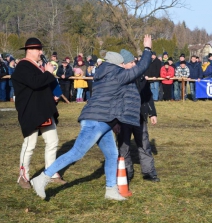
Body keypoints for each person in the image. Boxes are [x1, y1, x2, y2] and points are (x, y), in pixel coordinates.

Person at [30, 35, 153, 200]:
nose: (125, 66)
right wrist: (147, 49)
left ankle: (111, 190)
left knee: (111, 155)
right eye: (123, 64)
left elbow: (113, 101)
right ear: (117, 65)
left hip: (102, 120)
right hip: (96, 122)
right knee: (77, 152)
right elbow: (142, 67)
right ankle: (43, 178)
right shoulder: (117, 75)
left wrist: (115, 121)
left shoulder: (103, 74)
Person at [11, 37, 66, 189]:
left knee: (53, 141)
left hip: (44, 110)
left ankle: (51, 172)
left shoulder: (37, 66)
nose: (41, 52)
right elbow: (35, 83)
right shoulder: (23, 66)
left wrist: (52, 93)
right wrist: (48, 73)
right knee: (30, 145)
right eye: (38, 49)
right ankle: (23, 176)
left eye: (41, 49)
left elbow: (42, 84)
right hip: (31, 112)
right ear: (29, 50)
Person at [117, 49, 160, 182]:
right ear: (123, 64)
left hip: (140, 116)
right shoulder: (119, 77)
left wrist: (152, 113)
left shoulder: (141, 76)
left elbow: (148, 95)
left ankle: (148, 171)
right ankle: (126, 172)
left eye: (134, 62)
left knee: (144, 144)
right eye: (131, 62)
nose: (134, 64)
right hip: (123, 117)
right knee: (123, 147)